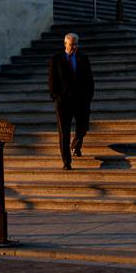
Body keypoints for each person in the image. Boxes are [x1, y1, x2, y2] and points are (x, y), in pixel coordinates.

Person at [48, 32, 94, 170]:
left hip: (81, 101)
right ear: (65, 44)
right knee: (64, 134)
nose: (74, 47)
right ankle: (67, 163)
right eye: (71, 44)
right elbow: (52, 81)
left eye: (76, 44)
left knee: (83, 126)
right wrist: (56, 97)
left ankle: (75, 145)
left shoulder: (83, 58)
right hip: (63, 103)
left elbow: (89, 80)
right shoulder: (57, 59)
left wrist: (88, 97)